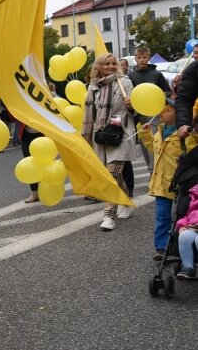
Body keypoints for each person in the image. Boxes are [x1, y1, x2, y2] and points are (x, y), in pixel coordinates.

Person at [81, 53, 135, 231]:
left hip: (121, 134)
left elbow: (137, 110)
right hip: (101, 135)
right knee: (114, 175)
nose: (111, 66)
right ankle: (125, 201)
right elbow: (88, 114)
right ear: (99, 67)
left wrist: (131, 105)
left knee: (112, 175)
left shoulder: (124, 81)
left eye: (114, 63)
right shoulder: (93, 85)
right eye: (107, 64)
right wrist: (86, 138)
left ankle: (108, 216)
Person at [146, 98, 198, 259]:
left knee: (182, 215)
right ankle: (161, 248)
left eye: (167, 110)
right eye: (161, 109)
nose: (162, 112)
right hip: (161, 184)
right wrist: (146, 135)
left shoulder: (187, 135)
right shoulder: (159, 132)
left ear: (180, 114)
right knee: (162, 216)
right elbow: (154, 151)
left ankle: (179, 246)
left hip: (181, 184)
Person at [128, 46, 170, 175]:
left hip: (154, 114)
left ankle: (155, 171)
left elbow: (167, 91)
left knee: (154, 140)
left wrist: (162, 98)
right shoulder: (131, 75)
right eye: (139, 57)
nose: (142, 60)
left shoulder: (156, 74)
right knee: (144, 143)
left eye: (144, 57)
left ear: (149, 58)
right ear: (135, 58)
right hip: (138, 115)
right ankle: (150, 170)